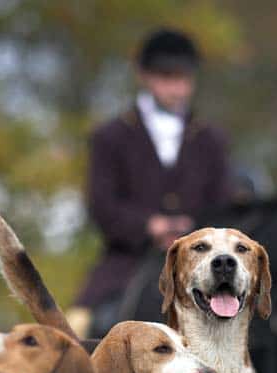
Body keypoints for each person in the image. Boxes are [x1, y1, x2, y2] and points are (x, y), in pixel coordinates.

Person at [73, 28, 231, 337]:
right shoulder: (111, 136)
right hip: (127, 263)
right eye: (167, 77)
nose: (177, 88)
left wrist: (191, 230)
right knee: (79, 328)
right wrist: (150, 226)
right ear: (145, 76)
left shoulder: (212, 139)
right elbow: (101, 204)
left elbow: (223, 201)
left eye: (184, 78)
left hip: (201, 258)